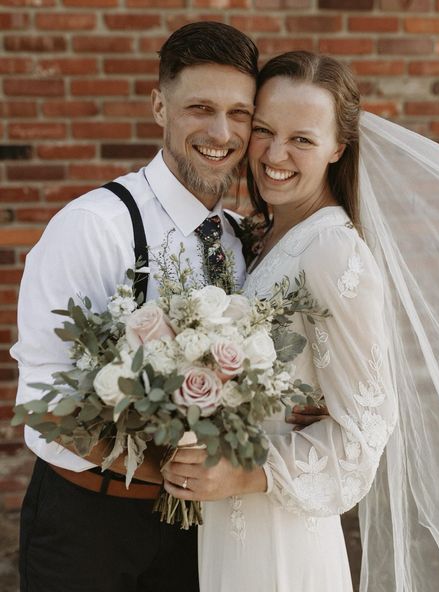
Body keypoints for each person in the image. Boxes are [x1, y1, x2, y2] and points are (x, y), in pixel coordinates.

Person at [162, 52, 439, 591]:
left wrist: (250, 472)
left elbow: (366, 432)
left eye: (302, 139)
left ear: (338, 148)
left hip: (280, 527)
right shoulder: (262, 238)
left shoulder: (333, 251)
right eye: (263, 130)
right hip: (228, 520)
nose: (275, 154)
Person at [10, 22, 262, 592]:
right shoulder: (94, 227)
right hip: (91, 531)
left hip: (205, 532)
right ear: (158, 106)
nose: (221, 132)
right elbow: (42, 409)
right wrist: (165, 469)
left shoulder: (241, 241)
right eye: (200, 107)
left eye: (239, 113)